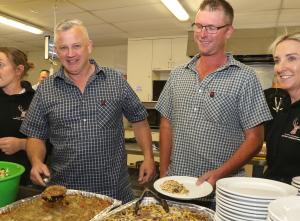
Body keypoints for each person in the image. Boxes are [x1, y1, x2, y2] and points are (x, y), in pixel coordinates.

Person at [20, 19, 156, 203]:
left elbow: (139, 120)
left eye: (76, 46)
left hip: (113, 190)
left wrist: (148, 157)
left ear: (89, 46)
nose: (70, 54)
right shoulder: (46, 90)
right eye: (63, 48)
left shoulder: (115, 80)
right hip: (65, 193)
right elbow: (35, 135)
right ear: (56, 51)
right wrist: (36, 162)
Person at [155, 0, 272, 206]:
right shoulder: (177, 75)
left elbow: (255, 138)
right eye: (199, 26)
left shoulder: (245, 78)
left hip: (222, 193)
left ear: (228, 32)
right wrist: (164, 172)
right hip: (177, 186)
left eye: (211, 28)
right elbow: (166, 123)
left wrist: (220, 174)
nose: (202, 33)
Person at [264, 32, 300, 183]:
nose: (280, 68)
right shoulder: (275, 101)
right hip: (271, 196)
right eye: (277, 60)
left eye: (291, 58)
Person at [0, 47, 35, 185]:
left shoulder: (35, 100)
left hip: (25, 179)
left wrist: (23, 144)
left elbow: (51, 141)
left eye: (0, 65)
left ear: (18, 70)